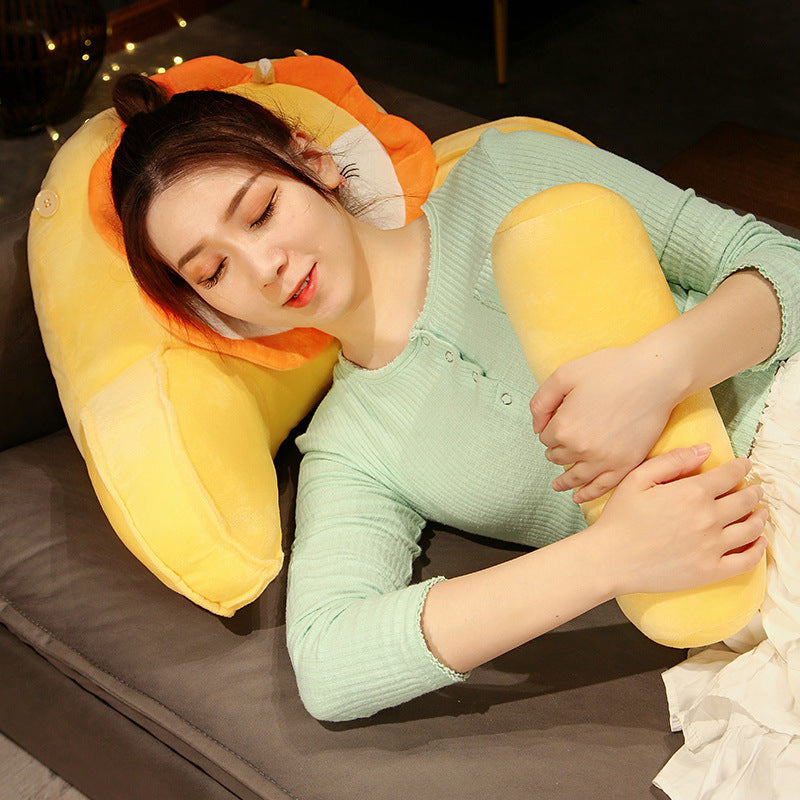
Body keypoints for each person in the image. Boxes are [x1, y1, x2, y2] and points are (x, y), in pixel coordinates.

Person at [110, 73, 800, 799]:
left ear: (313, 160)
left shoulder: (507, 174)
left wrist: (657, 373)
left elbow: (782, 263)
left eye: (261, 212)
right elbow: (328, 662)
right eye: (214, 270)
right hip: (759, 593)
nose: (264, 269)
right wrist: (610, 556)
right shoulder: (352, 445)